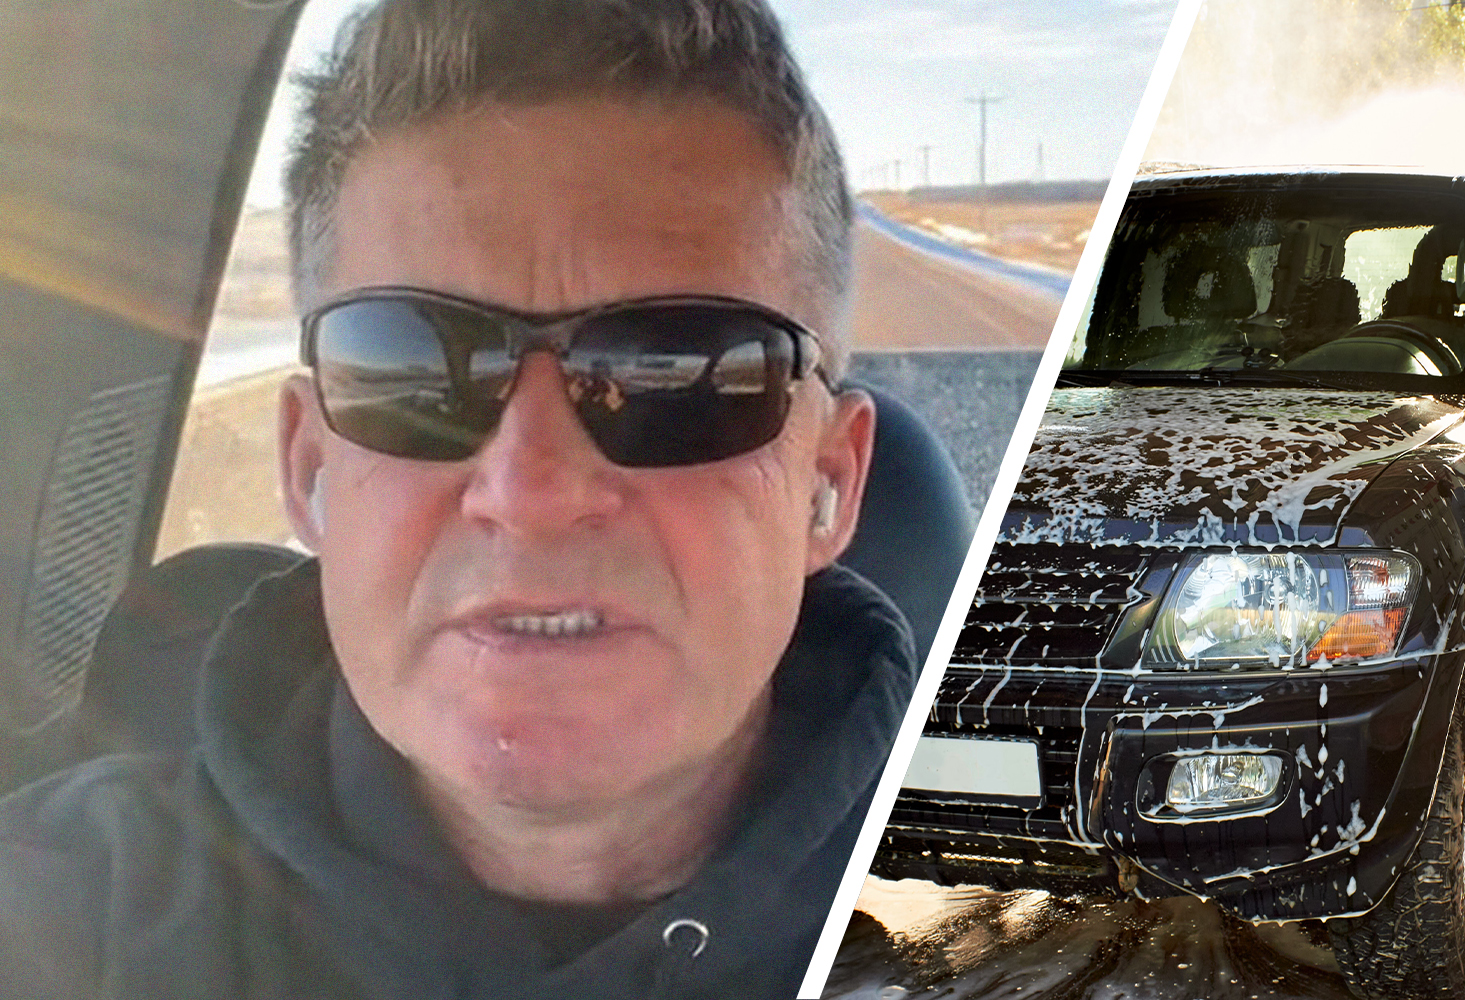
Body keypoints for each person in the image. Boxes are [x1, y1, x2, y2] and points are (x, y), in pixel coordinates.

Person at [0, 0, 917, 996]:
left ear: (828, 482)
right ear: (309, 470)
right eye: (416, 373)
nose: (529, 492)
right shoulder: (65, 917)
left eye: (677, 375)